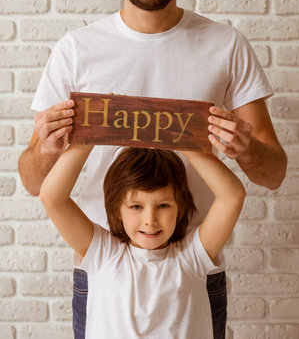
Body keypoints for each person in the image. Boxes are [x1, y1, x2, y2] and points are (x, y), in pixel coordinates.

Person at [18, 0, 287, 339]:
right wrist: (48, 147)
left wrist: (247, 148)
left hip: (193, 267)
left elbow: (273, 173)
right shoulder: (75, 50)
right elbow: (33, 183)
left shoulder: (227, 45)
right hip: (102, 269)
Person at [39, 144, 246, 339]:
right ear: (117, 209)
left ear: (180, 208)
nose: (150, 220)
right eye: (136, 206)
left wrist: (188, 144)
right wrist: (84, 141)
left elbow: (233, 196)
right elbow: (52, 197)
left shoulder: (192, 257)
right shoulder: (102, 253)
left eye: (163, 205)